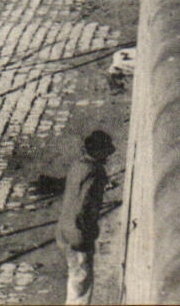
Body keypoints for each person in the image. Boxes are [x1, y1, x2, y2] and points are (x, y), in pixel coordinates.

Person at [57, 129, 115, 305]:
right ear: (97, 152)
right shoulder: (96, 172)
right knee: (81, 287)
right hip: (78, 235)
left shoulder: (78, 165)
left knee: (74, 280)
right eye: (105, 151)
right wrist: (88, 233)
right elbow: (86, 206)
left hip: (63, 230)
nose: (109, 155)